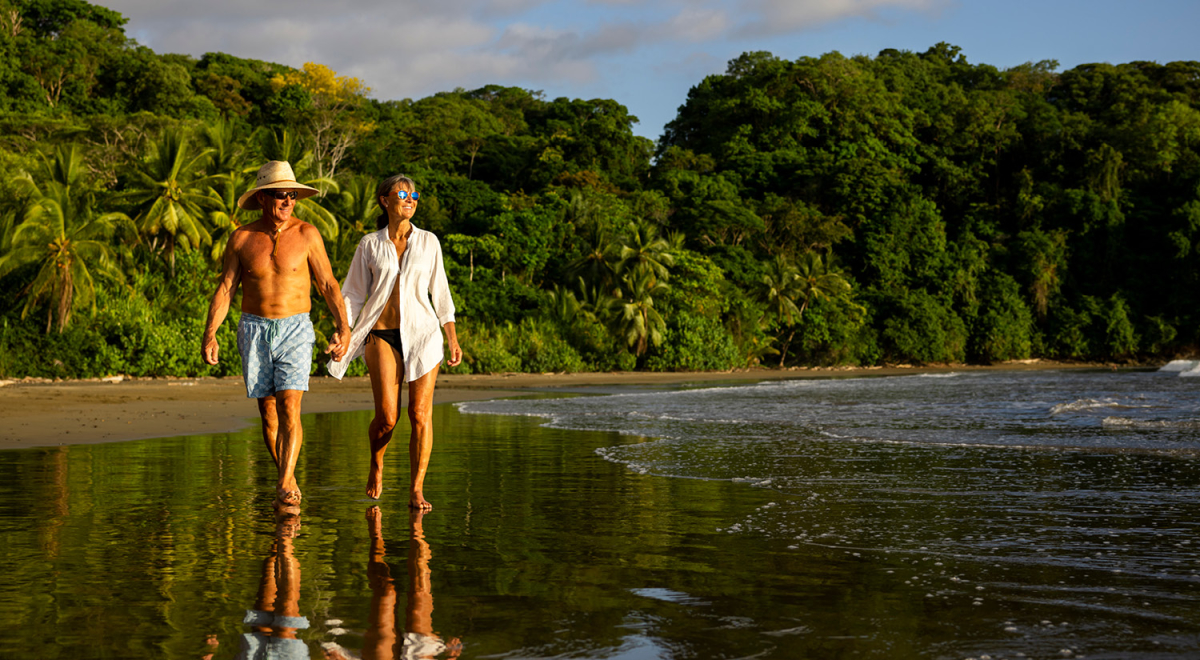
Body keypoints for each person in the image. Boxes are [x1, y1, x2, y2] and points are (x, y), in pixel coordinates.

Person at [202, 160, 349, 507]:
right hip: (254, 327)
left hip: (296, 327)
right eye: (281, 195)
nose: (288, 202)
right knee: (268, 412)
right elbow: (226, 288)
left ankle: (284, 482)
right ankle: (288, 475)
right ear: (264, 198)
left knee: (290, 405)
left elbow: (327, 284)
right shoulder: (242, 238)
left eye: (292, 196)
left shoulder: (307, 234)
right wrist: (211, 333)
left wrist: (344, 327)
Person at [328, 174, 462, 509]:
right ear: (384, 200)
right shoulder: (369, 244)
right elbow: (354, 295)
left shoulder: (429, 242)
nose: (410, 199)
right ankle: (377, 462)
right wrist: (342, 330)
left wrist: (452, 337)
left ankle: (416, 489)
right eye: (402, 193)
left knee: (420, 414)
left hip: (424, 335)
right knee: (388, 416)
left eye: (414, 194)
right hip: (381, 334)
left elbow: (441, 291)